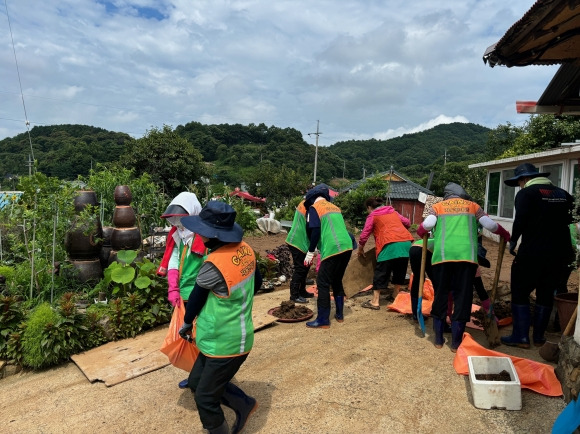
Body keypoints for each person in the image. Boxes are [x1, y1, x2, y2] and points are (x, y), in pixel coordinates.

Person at [178, 201, 262, 434]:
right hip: (229, 334)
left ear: (209, 235)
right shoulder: (245, 249)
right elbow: (258, 282)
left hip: (226, 341)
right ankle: (245, 403)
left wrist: (186, 324)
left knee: (205, 398)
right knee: (197, 383)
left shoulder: (214, 264)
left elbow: (195, 299)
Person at [416, 182, 510, 351]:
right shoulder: (473, 206)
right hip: (466, 259)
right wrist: (504, 233)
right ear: (462, 195)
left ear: (447, 195)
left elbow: (428, 225)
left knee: (441, 295)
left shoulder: (438, 207)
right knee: (462, 297)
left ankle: (438, 340)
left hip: (442, 258)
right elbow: (491, 226)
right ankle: (455, 343)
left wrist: (420, 230)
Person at [501, 163, 575, 349]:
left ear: (523, 179)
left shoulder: (526, 193)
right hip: (560, 254)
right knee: (546, 292)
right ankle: (540, 338)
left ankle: (521, 337)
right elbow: (572, 219)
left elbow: (520, 220)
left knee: (519, 291)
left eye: (519, 182)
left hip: (533, 252)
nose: (519, 186)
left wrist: (513, 241)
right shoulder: (563, 194)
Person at [157, 192, 206, 389]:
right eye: (174, 220)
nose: (177, 223)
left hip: (202, 292)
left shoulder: (204, 236)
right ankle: (195, 374)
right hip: (184, 295)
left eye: (181, 219)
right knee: (188, 335)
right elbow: (175, 259)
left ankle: (206, 377)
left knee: (201, 334)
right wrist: (173, 287)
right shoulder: (178, 234)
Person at [303, 184, 353, 328]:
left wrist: (311, 251)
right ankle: (339, 314)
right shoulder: (335, 208)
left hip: (333, 247)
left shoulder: (314, 208)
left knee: (323, 283)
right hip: (347, 246)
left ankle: (323, 319)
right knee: (337, 279)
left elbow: (316, 231)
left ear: (311, 199)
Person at [357, 196, 414, 310]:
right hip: (405, 243)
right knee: (400, 270)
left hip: (388, 244)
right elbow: (407, 222)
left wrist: (360, 248)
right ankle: (395, 295)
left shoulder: (373, 215)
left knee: (381, 271)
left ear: (369, 207)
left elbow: (364, 234)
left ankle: (375, 301)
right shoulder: (392, 212)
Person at [285, 198, 314, 304]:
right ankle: (294, 295)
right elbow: (310, 227)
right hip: (298, 242)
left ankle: (302, 291)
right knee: (300, 269)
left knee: (305, 267)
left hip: (299, 240)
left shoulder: (305, 202)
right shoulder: (310, 206)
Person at [408, 236, 435, 321]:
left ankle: (415, 313)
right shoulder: (445, 244)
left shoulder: (436, 240)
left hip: (413, 247)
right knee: (437, 281)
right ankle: (436, 311)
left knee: (418, 279)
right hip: (424, 250)